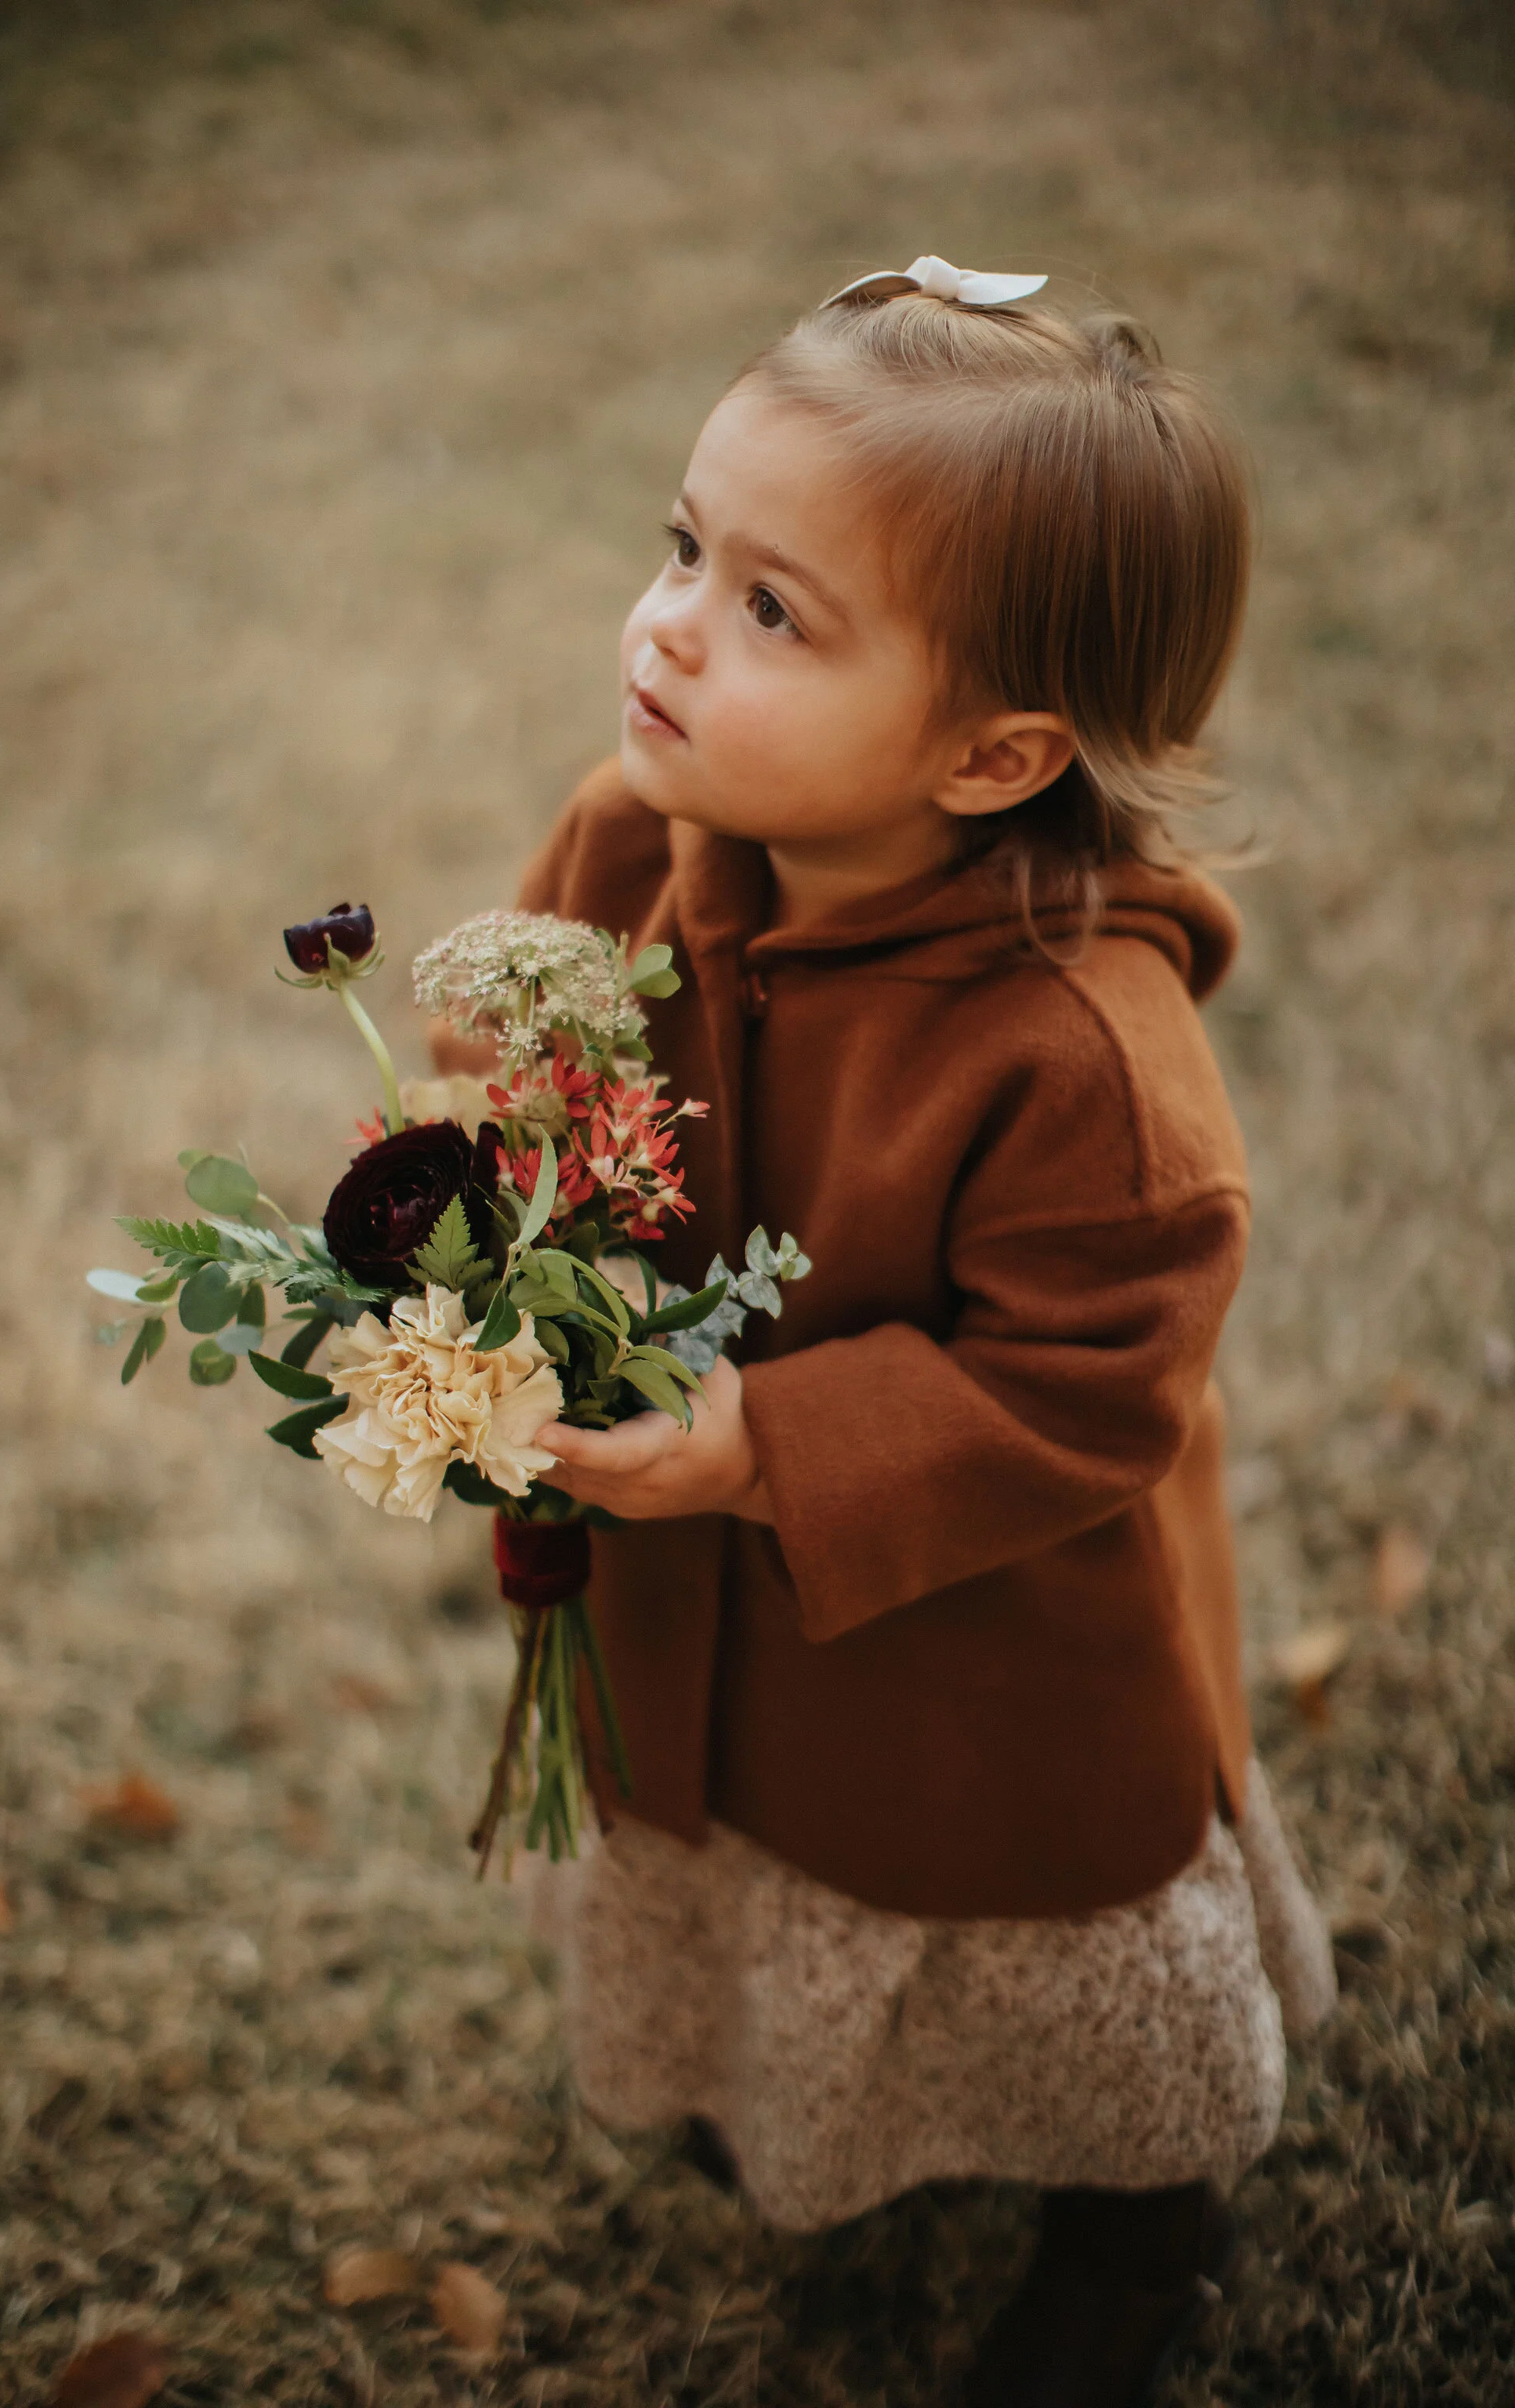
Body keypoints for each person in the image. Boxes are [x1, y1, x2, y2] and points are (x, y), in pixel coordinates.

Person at [438, 253, 1336, 2408]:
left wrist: (766, 1445)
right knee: (756, 1846)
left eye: (773, 611)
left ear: (996, 750)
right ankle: (787, 2103)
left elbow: (1078, 1386)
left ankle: (1139, 2221)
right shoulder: (643, 833)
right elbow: (523, 1046)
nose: (669, 622)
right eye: (684, 549)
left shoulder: (1085, 1067)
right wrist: (475, 1207)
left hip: (986, 1649)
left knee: (1012, 1928)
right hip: (695, 1589)